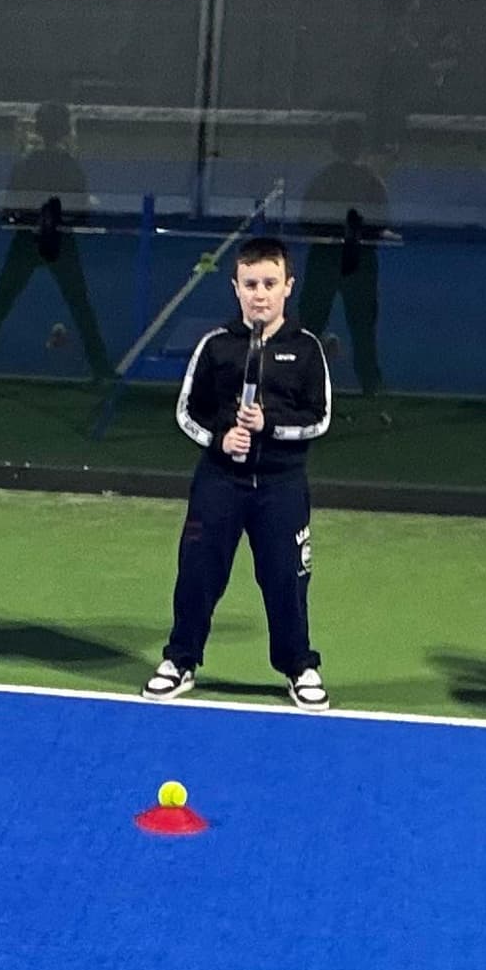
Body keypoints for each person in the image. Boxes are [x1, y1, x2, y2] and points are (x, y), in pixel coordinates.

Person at [148, 234, 334, 709]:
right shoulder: (215, 346)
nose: (260, 294)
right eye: (250, 284)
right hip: (219, 482)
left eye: (270, 283)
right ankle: (180, 660)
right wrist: (220, 439)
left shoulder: (306, 349)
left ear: (288, 286)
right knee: (197, 572)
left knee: (286, 578)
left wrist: (270, 425)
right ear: (236, 288)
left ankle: (299, 666)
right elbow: (187, 412)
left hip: (281, 486)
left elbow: (319, 418)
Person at [0, 111, 110, 381]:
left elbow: (9, 208)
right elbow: (81, 212)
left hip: (26, 241)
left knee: (0, 302)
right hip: (60, 241)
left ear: (38, 128)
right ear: (65, 131)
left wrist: (25, 221)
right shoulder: (71, 167)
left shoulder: (24, 165)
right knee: (80, 305)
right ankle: (101, 368)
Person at [293, 150, 389, 398]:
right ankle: (370, 383)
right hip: (356, 255)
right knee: (361, 324)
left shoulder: (324, 178)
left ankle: (299, 378)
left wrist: (328, 232)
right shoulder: (370, 179)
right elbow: (381, 220)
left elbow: (306, 217)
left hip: (328, 255)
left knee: (313, 320)